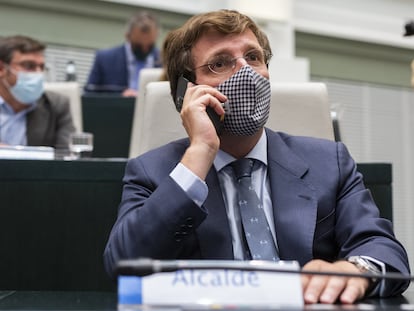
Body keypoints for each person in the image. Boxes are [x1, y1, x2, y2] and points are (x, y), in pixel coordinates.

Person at [104, 10, 410, 304]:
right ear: (188, 94)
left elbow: (384, 250)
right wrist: (200, 153)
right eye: (220, 63)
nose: (247, 72)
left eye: (253, 57)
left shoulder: (330, 161)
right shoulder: (153, 171)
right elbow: (123, 264)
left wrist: (355, 271)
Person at [0, 35, 75, 149]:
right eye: (28, 66)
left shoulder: (56, 105)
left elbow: (67, 157)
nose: (38, 73)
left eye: (41, 67)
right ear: (2, 69)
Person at [84, 11, 161, 97]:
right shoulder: (104, 59)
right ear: (127, 36)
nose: (144, 50)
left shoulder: (165, 62)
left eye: (150, 46)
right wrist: (120, 97)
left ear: (156, 36)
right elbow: (88, 95)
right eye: (138, 46)